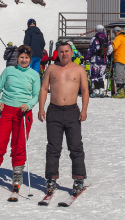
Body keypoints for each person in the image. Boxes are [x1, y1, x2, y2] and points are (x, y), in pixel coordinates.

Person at [0, 45, 41, 198]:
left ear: (30, 59)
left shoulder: (34, 74)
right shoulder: (9, 71)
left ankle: (17, 175)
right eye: (21, 57)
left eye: (27, 58)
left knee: (19, 143)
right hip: (5, 110)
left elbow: (37, 94)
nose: (24, 60)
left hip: (23, 112)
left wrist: (29, 105)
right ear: (17, 58)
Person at [38, 41, 89, 197]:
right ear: (57, 53)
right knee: (53, 147)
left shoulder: (79, 69)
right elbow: (44, 88)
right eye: (61, 52)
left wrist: (84, 110)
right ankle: (51, 179)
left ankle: (79, 179)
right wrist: (41, 108)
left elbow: (85, 90)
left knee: (75, 146)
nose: (64, 54)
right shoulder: (51, 69)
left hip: (73, 111)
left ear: (71, 52)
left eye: (67, 51)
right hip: (54, 111)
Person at [85, 25, 109, 98]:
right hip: (104, 60)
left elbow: (91, 49)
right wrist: (105, 55)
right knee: (100, 76)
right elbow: (110, 49)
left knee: (94, 75)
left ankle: (96, 90)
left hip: (95, 59)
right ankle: (102, 91)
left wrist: (86, 57)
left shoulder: (94, 39)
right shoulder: (107, 39)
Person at [111, 26, 125, 99]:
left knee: (118, 75)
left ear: (116, 32)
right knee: (124, 76)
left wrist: (111, 44)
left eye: (114, 32)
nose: (114, 34)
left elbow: (114, 47)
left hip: (119, 58)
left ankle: (120, 92)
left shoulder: (118, 38)